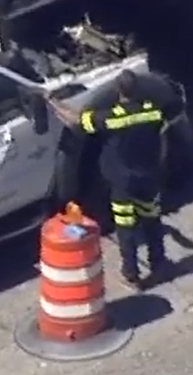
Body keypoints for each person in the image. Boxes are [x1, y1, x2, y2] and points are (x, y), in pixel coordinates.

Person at [52, 69, 174, 289]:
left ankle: (131, 273)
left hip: (122, 183)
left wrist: (51, 101)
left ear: (119, 91)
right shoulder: (153, 113)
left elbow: (75, 120)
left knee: (125, 228)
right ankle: (159, 263)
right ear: (138, 89)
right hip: (148, 177)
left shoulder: (109, 118)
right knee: (152, 220)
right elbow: (165, 130)